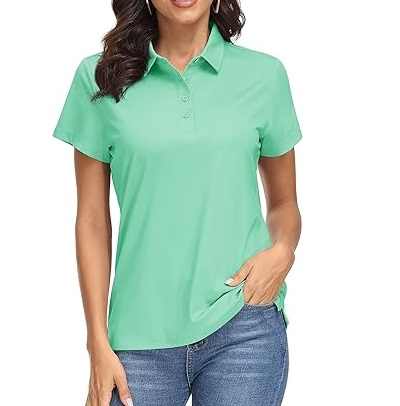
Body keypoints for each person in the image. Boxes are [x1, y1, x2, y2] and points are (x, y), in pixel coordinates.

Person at [53, 0, 302, 405]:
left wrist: (282, 252)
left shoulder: (264, 76)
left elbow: (284, 204)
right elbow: (92, 220)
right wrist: (97, 342)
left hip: (243, 324)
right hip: (137, 335)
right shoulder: (100, 77)